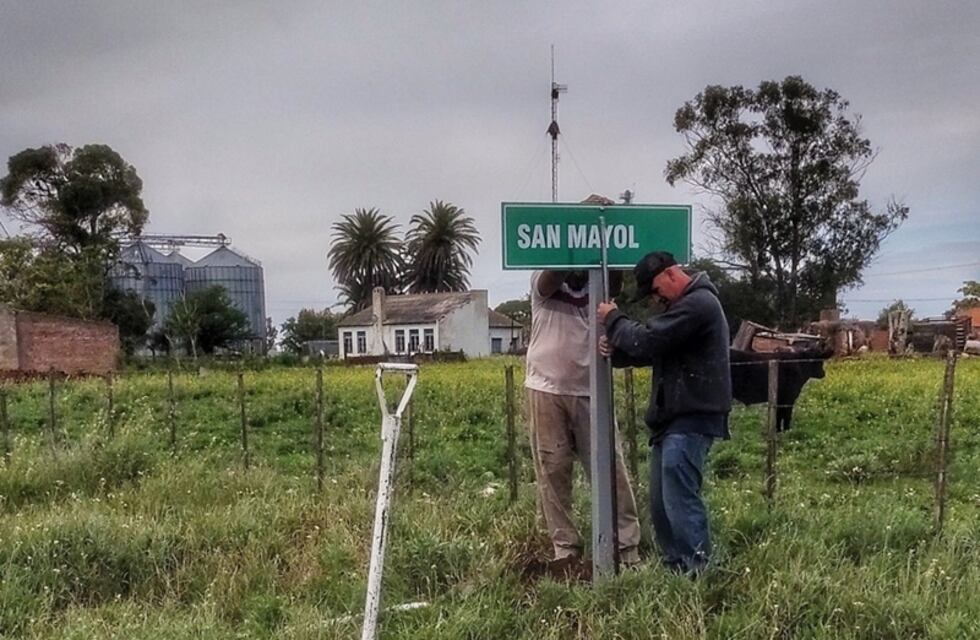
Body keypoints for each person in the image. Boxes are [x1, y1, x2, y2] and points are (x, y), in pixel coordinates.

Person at [597, 251, 731, 575]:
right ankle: (675, 568)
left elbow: (649, 340)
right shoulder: (685, 308)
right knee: (661, 503)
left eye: (656, 291)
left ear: (671, 274)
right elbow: (655, 350)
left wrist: (614, 319)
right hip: (672, 419)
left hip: (692, 416)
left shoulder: (698, 304)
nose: (656, 300)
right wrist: (618, 353)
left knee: (679, 497)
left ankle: (696, 571)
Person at [525, 267, 642, 572]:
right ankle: (565, 550)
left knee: (610, 467)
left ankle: (626, 548)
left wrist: (602, 255)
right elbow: (550, 278)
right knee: (553, 469)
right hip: (546, 386)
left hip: (592, 388)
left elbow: (615, 280)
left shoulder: (600, 283)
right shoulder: (543, 278)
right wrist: (570, 247)